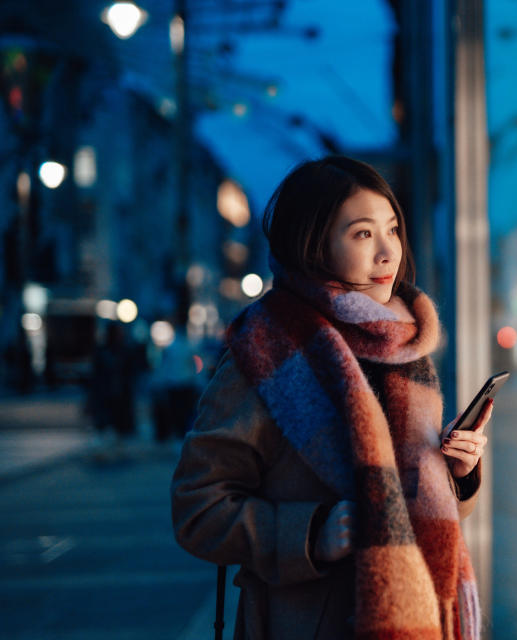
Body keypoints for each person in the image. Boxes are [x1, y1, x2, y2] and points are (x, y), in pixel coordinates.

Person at [171, 156, 490, 640]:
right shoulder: (267, 355)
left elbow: (408, 514)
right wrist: (310, 533)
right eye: (362, 234)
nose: (388, 252)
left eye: (392, 229)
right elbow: (197, 509)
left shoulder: (404, 352)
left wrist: (456, 477)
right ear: (314, 244)